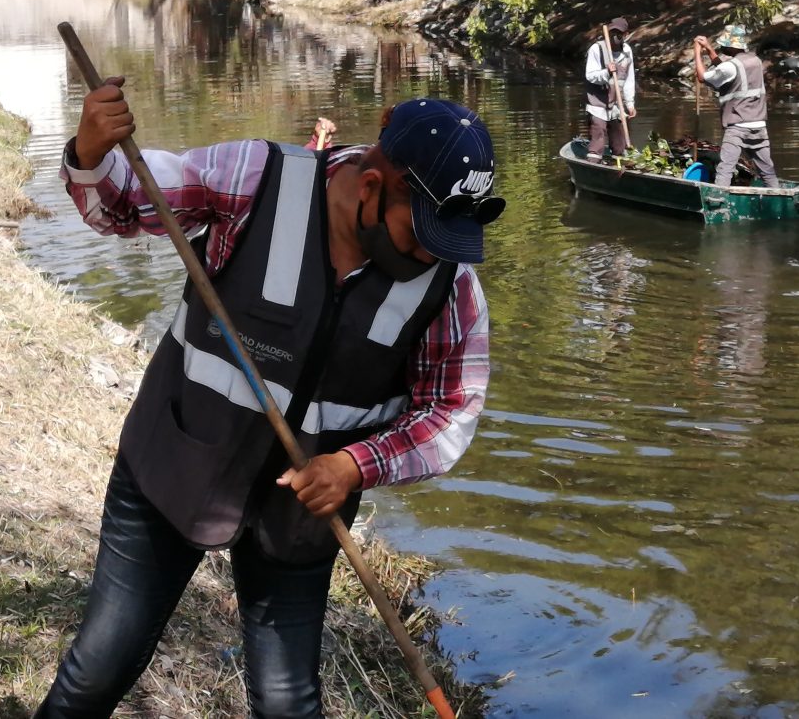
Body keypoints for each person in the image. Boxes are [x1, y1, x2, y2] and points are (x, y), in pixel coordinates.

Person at [36, 88, 503, 718]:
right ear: (369, 187)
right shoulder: (255, 179)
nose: (431, 254)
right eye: (419, 234)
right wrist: (91, 151)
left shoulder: (450, 283)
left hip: (300, 517)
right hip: (175, 464)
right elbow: (122, 202)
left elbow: (452, 411)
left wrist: (356, 465)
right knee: (99, 668)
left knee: (288, 706)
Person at [694, 24, 780, 188]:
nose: (721, 47)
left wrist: (697, 51)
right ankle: (779, 199)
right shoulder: (755, 61)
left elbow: (702, 77)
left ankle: (718, 203)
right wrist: (709, 48)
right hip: (759, 126)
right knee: (767, 171)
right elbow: (724, 70)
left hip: (738, 128)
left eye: (723, 45)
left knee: (725, 170)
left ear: (731, 46)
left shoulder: (730, 66)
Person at [583, 16, 636, 160]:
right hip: (597, 104)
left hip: (616, 106)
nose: (615, 37)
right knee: (598, 138)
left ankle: (620, 167)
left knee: (620, 145)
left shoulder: (627, 52)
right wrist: (606, 72)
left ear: (625, 34)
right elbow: (591, 76)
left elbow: (629, 79)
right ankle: (593, 165)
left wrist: (630, 104)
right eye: (613, 33)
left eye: (619, 34)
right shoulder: (597, 49)